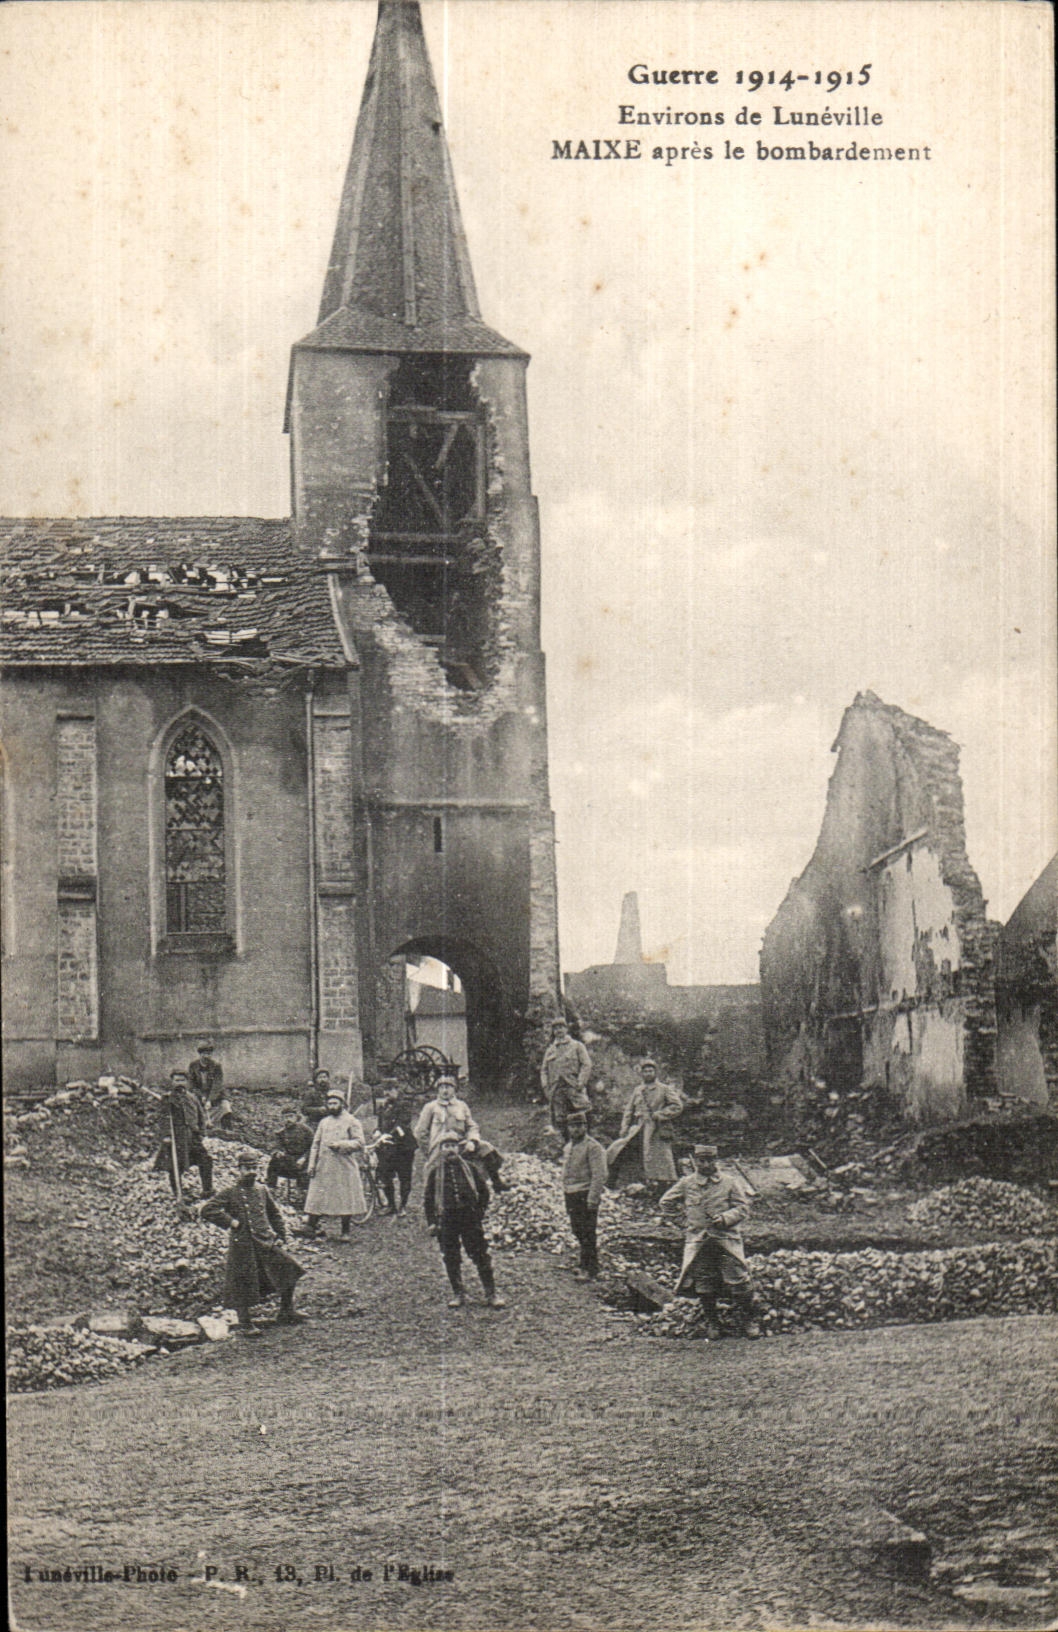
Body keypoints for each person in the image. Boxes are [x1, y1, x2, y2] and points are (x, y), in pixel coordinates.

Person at [660, 1143, 761, 1340]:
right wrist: (684, 1222)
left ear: (716, 1161)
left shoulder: (729, 1182)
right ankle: (712, 1322)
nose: (706, 1164)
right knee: (704, 1282)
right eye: (701, 1160)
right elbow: (666, 1202)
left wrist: (725, 1219)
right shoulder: (687, 1183)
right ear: (695, 1161)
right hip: (699, 1241)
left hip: (726, 1240)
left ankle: (749, 1320)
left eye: (710, 1160)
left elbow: (743, 1208)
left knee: (738, 1278)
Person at [201, 1151, 305, 1335]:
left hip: (266, 1240)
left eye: (254, 1168)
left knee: (290, 1268)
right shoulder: (230, 1192)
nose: (251, 1172)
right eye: (247, 1168)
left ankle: (286, 1311)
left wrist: (281, 1235)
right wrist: (231, 1222)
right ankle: (245, 1323)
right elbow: (208, 1210)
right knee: (243, 1282)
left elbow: (274, 1214)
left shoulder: (262, 1190)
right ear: (239, 1170)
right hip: (243, 1244)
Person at [423, 1132, 505, 1309]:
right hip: (446, 1219)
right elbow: (428, 1199)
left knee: (480, 1255)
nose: (450, 1149)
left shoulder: (470, 1168)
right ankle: (458, 1294)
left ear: (458, 1149)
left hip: (469, 1218)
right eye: (446, 1146)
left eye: (453, 1146)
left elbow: (484, 1192)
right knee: (451, 1256)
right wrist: (432, 1222)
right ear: (441, 1150)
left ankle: (491, 1294)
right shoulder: (435, 1173)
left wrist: (479, 1212)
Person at [414, 1076, 507, 1196]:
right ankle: (434, 1201)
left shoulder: (461, 1106)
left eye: (448, 1087)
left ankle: (497, 1183)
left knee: (486, 1148)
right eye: (441, 1087)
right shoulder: (430, 1107)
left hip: (460, 1144)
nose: (445, 1091)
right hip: (439, 1147)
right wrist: (429, 1150)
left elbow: (472, 1126)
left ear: (454, 1089)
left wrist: (472, 1141)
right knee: (432, 1174)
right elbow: (420, 1132)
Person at [606, 1059, 684, 1188]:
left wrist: (660, 1114)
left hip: (656, 1128)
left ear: (655, 1072)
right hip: (639, 1126)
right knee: (617, 1149)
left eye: (651, 1071)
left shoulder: (664, 1089)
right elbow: (629, 1110)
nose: (648, 1073)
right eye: (645, 1071)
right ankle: (613, 1181)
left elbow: (677, 1106)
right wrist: (624, 1126)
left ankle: (661, 1184)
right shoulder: (638, 1090)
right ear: (641, 1074)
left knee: (660, 1158)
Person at [300, 1088, 366, 1240]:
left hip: (344, 1164)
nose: (332, 1106)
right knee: (317, 1195)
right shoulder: (324, 1122)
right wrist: (311, 1165)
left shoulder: (352, 1121)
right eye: (329, 1103)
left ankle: (345, 1231)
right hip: (324, 1165)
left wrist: (341, 1145)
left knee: (345, 1197)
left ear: (342, 1104)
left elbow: (360, 1143)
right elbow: (315, 1144)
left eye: (335, 1103)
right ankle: (311, 1226)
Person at [153, 1069, 213, 1200]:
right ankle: (178, 1193)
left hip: (193, 1137)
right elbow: (163, 1118)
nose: (180, 1083)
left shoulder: (192, 1097)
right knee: (175, 1166)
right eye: (177, 1080)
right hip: (177, 1139)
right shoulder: (168, 1099)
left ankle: (207, 1190)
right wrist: (167, 1135)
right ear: (172, 1082)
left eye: (182, 1080)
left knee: (206, 1160)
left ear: (187, 1081)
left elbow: (201, 1115)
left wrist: (202, 1132)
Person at [562, 1110, 607, 1281]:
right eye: (572, 1127)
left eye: (579, 1126)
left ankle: (590, 1269)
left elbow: (599, 1175)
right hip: (571, 1193)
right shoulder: (568, 1147)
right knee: (577, 1229)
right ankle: (585, 1263)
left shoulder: (593, 1147)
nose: (575, 1130)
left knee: (588, 1231)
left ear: (585, 1127)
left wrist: (593, 1198)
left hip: (585, 1193)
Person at [374, 1083, 418, 1218]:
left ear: (397, 1090)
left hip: (404, 1147)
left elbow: (403, 1123)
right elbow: (380, 1124)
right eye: (385, 1090)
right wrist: (377, 1132)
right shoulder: (384, 1106)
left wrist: (389, 1134)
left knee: (404, 1177)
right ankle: (391, 1205)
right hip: (387, 1147)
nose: (387, 1093)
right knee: (386, 1176)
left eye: (390, 1090)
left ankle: (403, 1206)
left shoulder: (404, 1104)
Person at [539, 1018, 592, 1128]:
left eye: (561, 1027)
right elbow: (544, 1070)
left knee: (583, 1112)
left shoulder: (577, 1046)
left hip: (573, 1086)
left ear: (566, 1029)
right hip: (556, 1089)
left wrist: (581, 1082)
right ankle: (565, 1142)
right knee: (560, 1119)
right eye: (556, 1028)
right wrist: (545, 1087)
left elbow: (586, 1064)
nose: (558, 1030)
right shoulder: (550, 1050)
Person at [266, 1108, 313, 1198]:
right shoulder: (281, 1132)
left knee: (305, 1172)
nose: (288, 1119)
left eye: (291, 1116)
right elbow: (275, 1146)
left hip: (304, 1160)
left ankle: (302, 1195)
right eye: (285, 1117)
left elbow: (314, 1146)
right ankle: (271, 1191)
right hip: (290, 1161)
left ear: (296, 1117)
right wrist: (278, 1152)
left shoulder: (306, 1130)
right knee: (274, 1163)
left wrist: (304, 1158)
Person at [189, 1038, 234, 1131]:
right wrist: (201, 1096)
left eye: (208, 1054)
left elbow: (217, 1085)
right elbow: (192, 1084)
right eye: (204, 1054)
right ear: (200, 1054)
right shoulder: (193, 1065)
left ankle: (227, 1130)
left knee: (225, 1107)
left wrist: (210, 1099)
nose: (206, 1056)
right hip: (199, 1095)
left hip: (216, 1096)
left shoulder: (216, 1066)